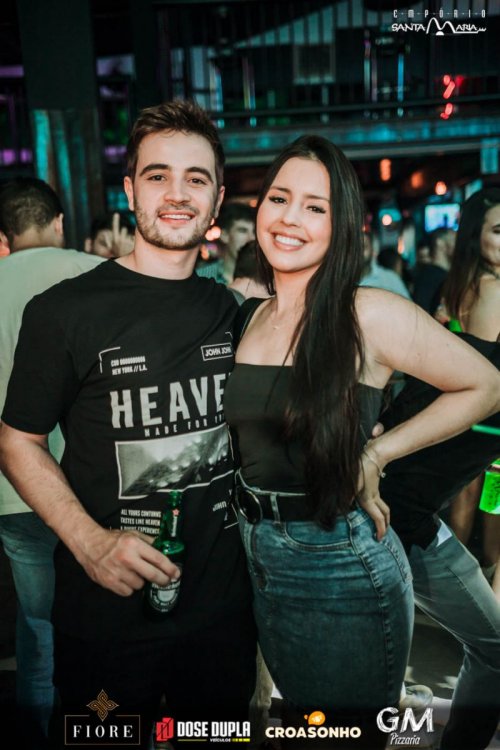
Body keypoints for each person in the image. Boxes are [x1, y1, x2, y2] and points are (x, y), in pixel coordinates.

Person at [223, 135, 500, 748]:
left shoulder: (366, 312)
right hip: (257, 553)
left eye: (315, 207)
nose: (290, 218)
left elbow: (485, 386)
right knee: (303, 727)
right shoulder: (249, 315)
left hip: (338, 565)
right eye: (279, 198)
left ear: (342, 223)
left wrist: (378, 451)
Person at [0, 101, 256, 750]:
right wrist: (87, 541)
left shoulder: (233, 311)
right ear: (130, 190)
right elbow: (18, 441)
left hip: (221, 616)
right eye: (157, 175)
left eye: (196, 178)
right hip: (104, 619)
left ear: (216, 198)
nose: (177, 193)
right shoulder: (63, 311)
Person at [0, 177, 104, 748]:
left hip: (13, 490)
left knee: (37, 622)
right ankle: (102, 727)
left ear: (5, 235)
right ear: (59, 222)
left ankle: (39, 733)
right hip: (91, 485)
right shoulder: (96, 274)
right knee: (101, 622)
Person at [380, 332, 500, 750]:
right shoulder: (486, 381)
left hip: (397, 517)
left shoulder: (456, 348)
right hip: (396, 525)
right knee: (494, 650)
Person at [439, 188, 500, 600]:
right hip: (490, 425)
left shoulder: (460, 285)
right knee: (491, 513)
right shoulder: (493, 289)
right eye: (499, 230)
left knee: (467, 508)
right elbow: (490, 366)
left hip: (466, 419)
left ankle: (457, 600)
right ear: (476, 235)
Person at [197, 202, 256, 284]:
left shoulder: (265, 279)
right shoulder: (202, 277)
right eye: (243, 231)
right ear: (224, 235)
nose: (252, 238)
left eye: (254, 232)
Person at [413, 227, 456, 315]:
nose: (458, 244)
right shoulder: (429, 276)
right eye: (453, 239)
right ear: (439, 243)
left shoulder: (444, 275)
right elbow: (421, 311)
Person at [359, 229, 411, 298]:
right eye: (355, 249)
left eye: (364, 247)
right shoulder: (345, 279)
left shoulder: (390, 278)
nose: (359, 252)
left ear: (372, 250)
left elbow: (407, 303)